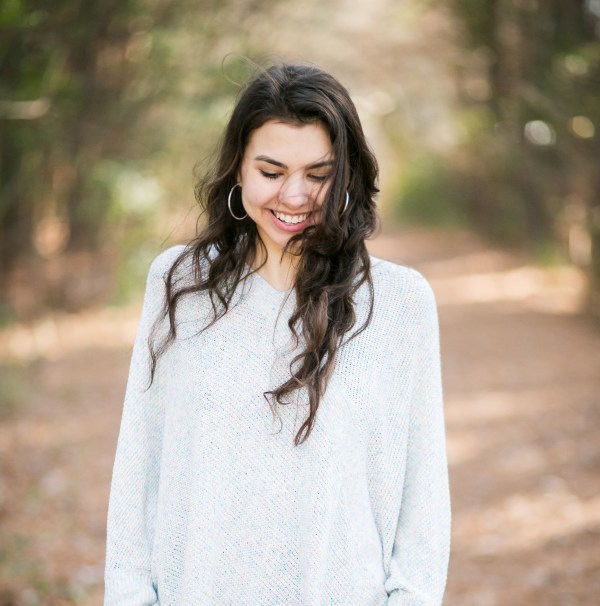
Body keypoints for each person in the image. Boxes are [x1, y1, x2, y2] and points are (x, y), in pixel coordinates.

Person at [104, 62, 451, 606]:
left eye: (318, 174)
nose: (294, 196)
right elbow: (138, 463)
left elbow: (422, 492)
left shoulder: (399, 302)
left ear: (347, 177)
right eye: (271, 171)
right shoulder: (179, 285)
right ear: (238, 172)